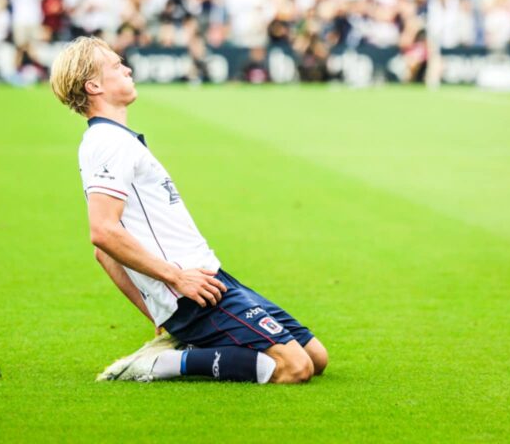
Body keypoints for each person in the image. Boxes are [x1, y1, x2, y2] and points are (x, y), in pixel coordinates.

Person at [50, 36, 328, 384]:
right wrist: (174, 279)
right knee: (294, 367)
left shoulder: (116, 140)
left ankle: (178, 343)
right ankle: (162, 364)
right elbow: (103, 234)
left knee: (316, 357)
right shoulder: (106, 143)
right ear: (94, 85)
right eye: (117, 65)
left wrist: (158, 315)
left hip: (208, 277)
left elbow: (103, 253)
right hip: (190, 291)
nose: (127, 68)